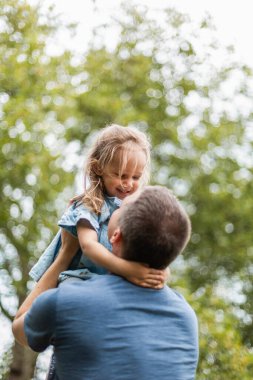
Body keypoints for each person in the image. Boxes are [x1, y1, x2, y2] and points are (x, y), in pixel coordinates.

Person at [12, 186, 199, 380]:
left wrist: (65, 254)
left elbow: (19, 329)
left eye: (118, 208)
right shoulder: (186, 317)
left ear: (116, 237)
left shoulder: (68, 301)